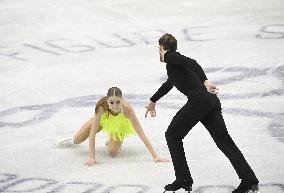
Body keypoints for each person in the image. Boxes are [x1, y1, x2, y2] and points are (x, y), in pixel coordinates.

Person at [145, 34, 259, 193]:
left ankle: (183, 179)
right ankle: (249, 179)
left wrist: (205, 80)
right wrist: (153, 100)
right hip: (210, 101)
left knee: (172, 135)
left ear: (162, 47)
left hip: (199, 101)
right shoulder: (175, 67)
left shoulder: (171, 57)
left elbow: (193, 62)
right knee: (224, 141)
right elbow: (169, 84)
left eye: (159, 49)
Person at [56, 87, 169, 166]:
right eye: (111, 102)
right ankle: (73, 141)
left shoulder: (128, 110)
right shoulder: (101, 107)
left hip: (119, 126)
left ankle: (112, 138)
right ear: (107, 101)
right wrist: (92, 157)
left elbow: (141, 134)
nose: (115, 105)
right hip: (103, 121)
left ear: (122, 100)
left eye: (118, 102)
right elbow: (92, 134)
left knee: (113, 153)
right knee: (77, 139)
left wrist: (155, 156)